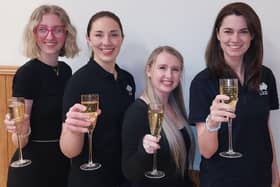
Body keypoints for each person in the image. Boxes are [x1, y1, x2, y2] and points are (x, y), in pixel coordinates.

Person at [189, 2, 279, 187]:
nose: (235, 38)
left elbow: (265, 128)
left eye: (243, 31)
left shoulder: (265, 76)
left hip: (260, 178)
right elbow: (206, 152)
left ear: (253, 35)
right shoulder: (202, 82)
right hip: (222, 180)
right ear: (217, 35)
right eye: (228, 31)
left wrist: (275, 174)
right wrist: (212, 122)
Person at [3, 4, 79, 187]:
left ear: (66, 33)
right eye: (43, 29)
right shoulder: (26, 74)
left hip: (62, 162)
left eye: (57, 30)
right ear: (33, 34)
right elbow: (19, 141)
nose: (50, 36)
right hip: (33, 168)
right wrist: (19, 128)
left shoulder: (66, 71)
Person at [59, 11, 135, 187]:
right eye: (99, 35)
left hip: (123, 176)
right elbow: (69, 151)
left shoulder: (127, 79)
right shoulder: (78, 82)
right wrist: (73, 129)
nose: (107, 42)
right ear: (88, 39)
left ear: (122, 38)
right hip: (90, 179)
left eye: (114, 34)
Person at [122, 46, 195, 187]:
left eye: (175, 69)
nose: (169, 75)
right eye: (162, 68)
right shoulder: (137, 112)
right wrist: (144, 151)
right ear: (149, 71)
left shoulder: (176, 108)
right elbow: (129, 172)